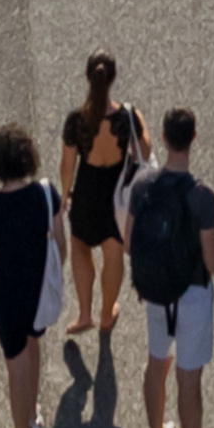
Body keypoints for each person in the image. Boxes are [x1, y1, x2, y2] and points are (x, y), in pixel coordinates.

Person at [124, 106, 214, 428]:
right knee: (189, 380)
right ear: (194, 138)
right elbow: (212, 260)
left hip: (156, 290)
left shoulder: (142, 185)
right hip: (191, 295)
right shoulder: (202, 196)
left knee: (157, 363)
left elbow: (128, 243)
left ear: (163, 138)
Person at [0, 120, 65, 428]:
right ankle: (33, 414)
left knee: (15, 366)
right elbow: (61, 246)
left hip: (6, 296)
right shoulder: (45, 195)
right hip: (38, 287)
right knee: (34, 343)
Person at [60, 57, 139, 337]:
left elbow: (68, 165)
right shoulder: (127, 116)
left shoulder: (77, 120)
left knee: (81, 245)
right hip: (117, 193)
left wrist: (65, 194)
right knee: (113, 251)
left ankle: (84, 313)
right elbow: (147, 150)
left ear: (87, 78)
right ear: (113, 79)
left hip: (86, 192)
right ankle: (107, 314)